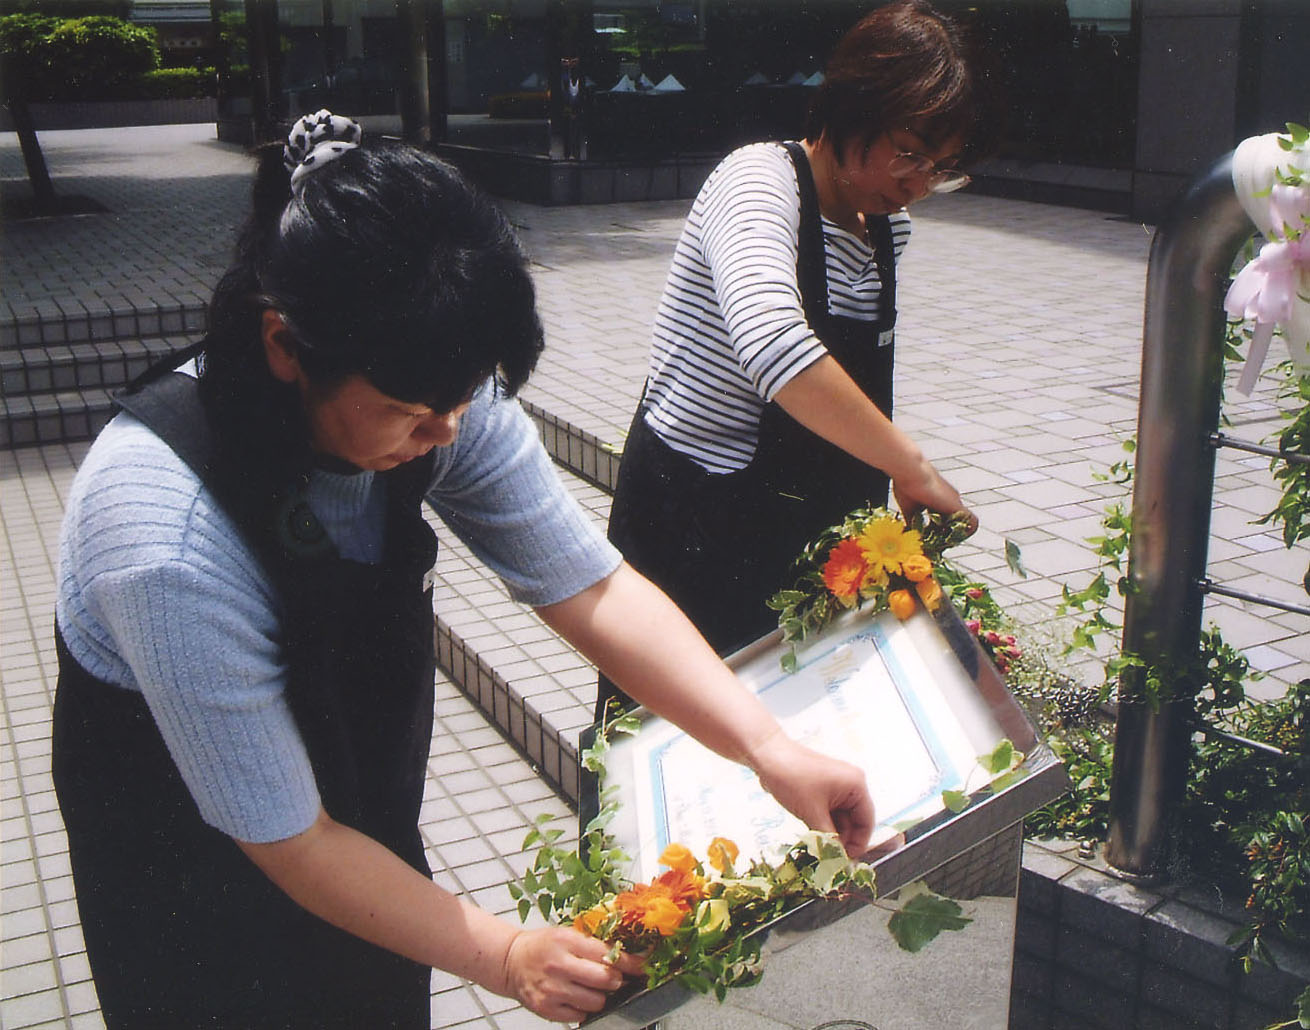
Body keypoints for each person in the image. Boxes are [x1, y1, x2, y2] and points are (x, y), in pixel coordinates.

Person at [51, 110, 874, 1030]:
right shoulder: (164, 529)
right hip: (191, 867)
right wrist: (507, 955)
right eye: (412, 413)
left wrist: (768, 747)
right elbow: (291, 840)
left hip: (349, 830)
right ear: (284, 345)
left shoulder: (432, 385)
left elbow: (592, 586)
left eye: (463, 399)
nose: (447, 432)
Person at [599, 0, 990, 718]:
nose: (918, 183)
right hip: (696, 524)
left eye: (940, 169)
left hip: (801, 535)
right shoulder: (757, 183)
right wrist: (912, 467)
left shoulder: (885, 230)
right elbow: (776, 347)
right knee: (668, 737)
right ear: (850, 107)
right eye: (909, 153)